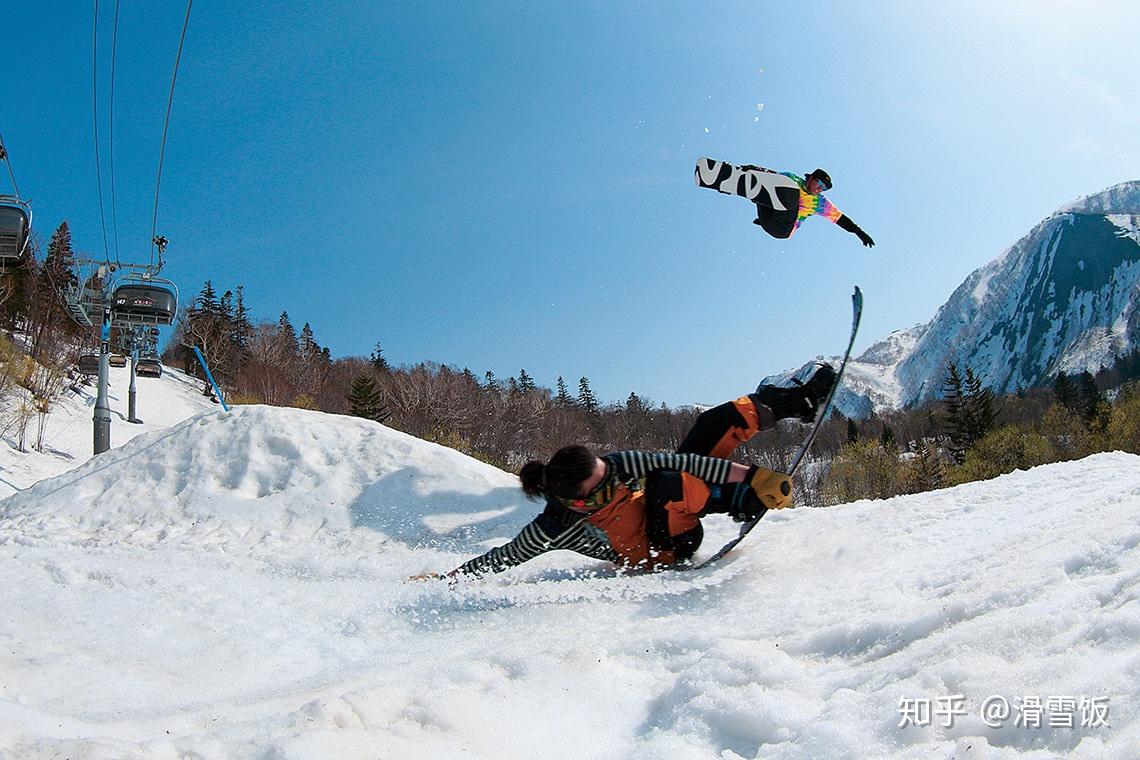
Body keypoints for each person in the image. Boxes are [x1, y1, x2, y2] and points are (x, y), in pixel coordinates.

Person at [420, 364, 836, 579]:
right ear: (579, 501)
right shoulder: (555, 525)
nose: (614, 479)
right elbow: (503, 558)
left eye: (609, 470)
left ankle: (791, 403)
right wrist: (446, 579)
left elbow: (684, 460)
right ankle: (738, 503)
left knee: (710, 424)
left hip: (675, 508)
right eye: (604, 484)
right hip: (660, 549)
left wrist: (752, 475)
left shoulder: (617, 466)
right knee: (664, 484)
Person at [739, 165, 874, 247]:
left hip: (784, 228)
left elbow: (840, 218)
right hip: (767, 219)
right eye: (819, 184)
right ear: (811, 178)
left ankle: (764, 199)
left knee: (791, 194)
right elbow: (772, 176)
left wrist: (859, 232)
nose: (819, 189)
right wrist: (754, 169)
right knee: (778, 186)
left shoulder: (819, 202)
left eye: (823, 189)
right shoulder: (792, 178)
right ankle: (738, 184)